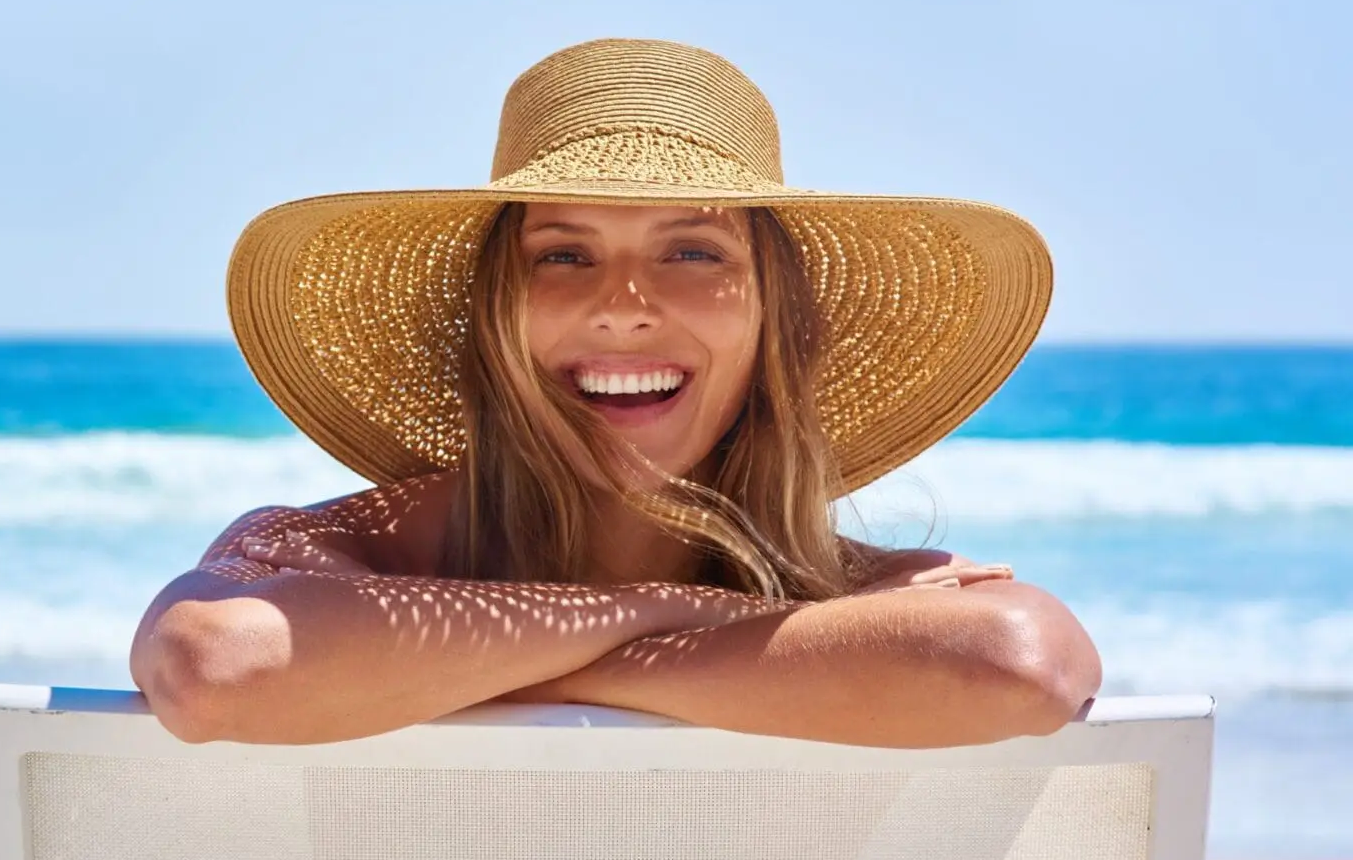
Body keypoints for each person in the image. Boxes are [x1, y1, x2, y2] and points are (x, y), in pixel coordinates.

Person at [131, 37, 1100, 748]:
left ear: (781, 322)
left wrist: (527, 658)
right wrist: (678, 615)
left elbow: (1022, 664)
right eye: (563, 255)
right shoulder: (340, 549)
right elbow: (214, 669)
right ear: (494, 315)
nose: (624, 307)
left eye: (691, 251)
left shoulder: (875, 591)